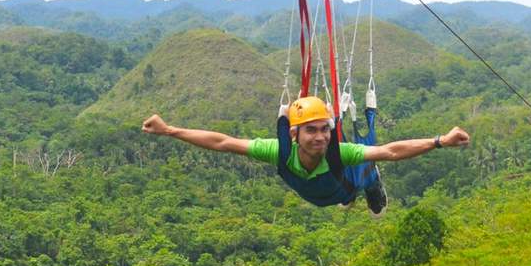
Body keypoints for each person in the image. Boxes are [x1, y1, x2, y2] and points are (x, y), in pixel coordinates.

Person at [141, 95, 469, 215]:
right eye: (310, 130)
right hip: (317, 192)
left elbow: (391, 150)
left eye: (324, 129)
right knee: (345, 185)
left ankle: (371, 185)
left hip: (340, 186)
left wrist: (440, 140)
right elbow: (223, 142)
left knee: (366, 166)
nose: (320, 137)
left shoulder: (337, 150)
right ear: (294, 134)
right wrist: (169, 130)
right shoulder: (279, 150)